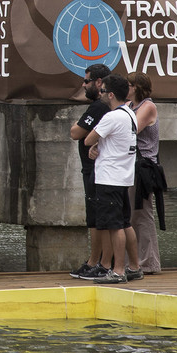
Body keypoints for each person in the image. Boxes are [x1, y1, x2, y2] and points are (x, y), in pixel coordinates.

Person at [82, 74, 138, 285]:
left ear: (111, 94)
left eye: (103, 91)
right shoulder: (130, 113)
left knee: (114, 226)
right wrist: (100, 145)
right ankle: (134, 266)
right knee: (125, 223)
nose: (100, 94)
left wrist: (96, 144)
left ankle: (118, 269)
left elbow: (88, 138)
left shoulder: (112, 116)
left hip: (109, 177)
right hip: (123, 175)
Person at [69, 63, 118, 280]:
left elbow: (76, 133)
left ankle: (99, 262)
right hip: (98, 169)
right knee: (100, 219)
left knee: (98, 220)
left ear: (99, 83)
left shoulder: (99, 107)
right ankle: (99, 261)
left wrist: (76, 126)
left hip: (96, 170)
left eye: (87, 81)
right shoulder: (106, 108)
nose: (83, 84)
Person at [129, 73, 164, 277]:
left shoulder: (147, 106)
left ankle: (148, 262)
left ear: (136, 87)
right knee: (131, 214)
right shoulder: (129, 105)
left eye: (128, 85)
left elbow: (131, 128)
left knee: (142, 214)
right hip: (131, 164)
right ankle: (131, 260)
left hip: (144, 166)